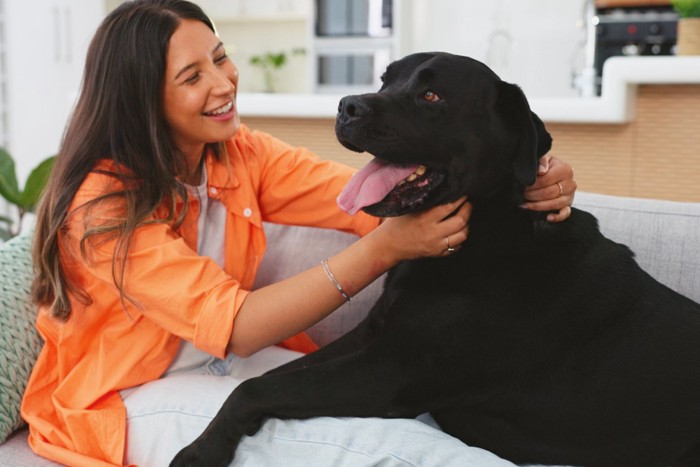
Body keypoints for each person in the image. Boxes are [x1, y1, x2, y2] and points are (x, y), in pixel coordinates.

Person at [21, 1, 577, 466]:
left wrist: (536, 174)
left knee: (430, 415)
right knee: (407, 454)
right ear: (141, 99)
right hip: (131, 396)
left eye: (220, 58)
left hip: (228, 368)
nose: (223, 84)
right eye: (193, 77)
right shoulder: (102, 204)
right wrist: (383, 251)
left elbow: (376, 199)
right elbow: (236, 326)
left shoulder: (240, 156)